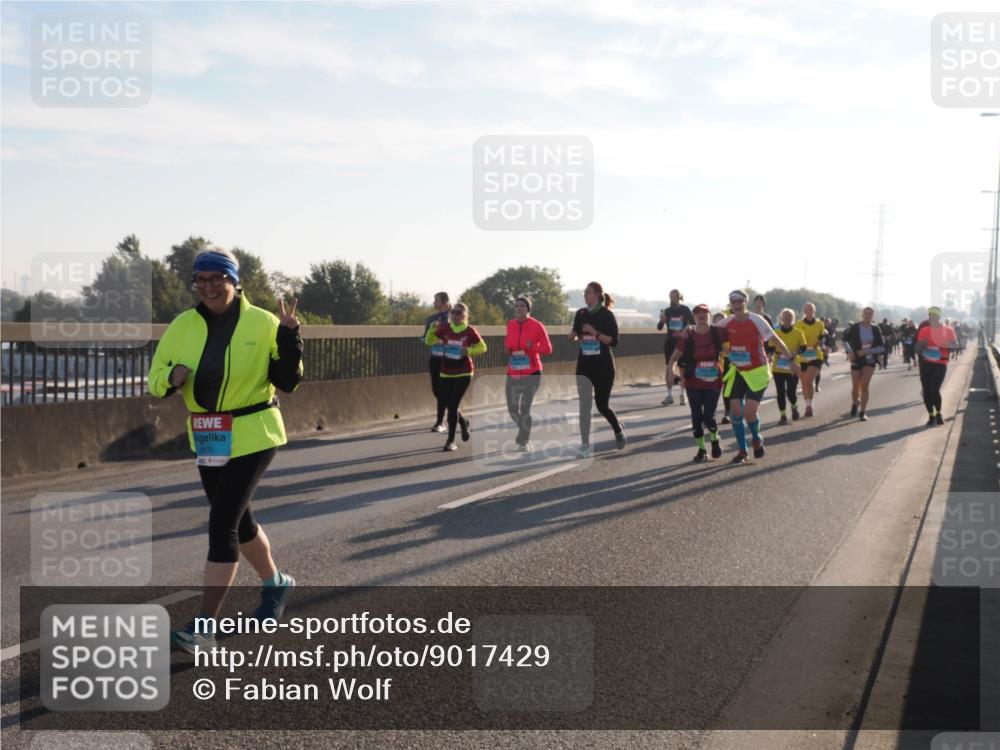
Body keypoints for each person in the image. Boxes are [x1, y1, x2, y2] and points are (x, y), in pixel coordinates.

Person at [148, 248, 303, 654]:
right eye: (201, 280)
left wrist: (290, 338)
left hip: (254, 431)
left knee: (222, 526)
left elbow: (287, 380)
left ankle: (203, 628)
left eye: (218, 278)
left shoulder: (264, 322)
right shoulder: (182, 325)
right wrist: (170, 376)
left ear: (235, 281)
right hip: (208, 435)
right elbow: (154, 379)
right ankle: (276, 584)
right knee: (240, 520)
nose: (209, 287)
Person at [716, 290, 797, 463]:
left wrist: (790, 359)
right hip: (738, 371)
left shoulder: (757, 320)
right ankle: (742, 451)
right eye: (733, 301)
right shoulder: (727, 322)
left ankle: (756, 437)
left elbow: (775, 339)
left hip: (758, 371)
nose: (736, 305)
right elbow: (709, 331)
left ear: (746, 302)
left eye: (740, 301)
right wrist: (691, 328)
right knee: (736, 411)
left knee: (749, 412)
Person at [571, 281, 625, 457]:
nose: (585, 295)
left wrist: (595, 333)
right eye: (584, 293)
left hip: (603, 366)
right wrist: (573, 335)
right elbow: (576, 333)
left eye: (588, 292)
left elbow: (614, 341)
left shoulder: (606, 315)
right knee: (584, 406)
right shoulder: (580, 313)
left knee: (602, 406)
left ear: (597, 295)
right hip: (584, 365)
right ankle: (585, 445)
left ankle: (617, 430)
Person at [667, 303, 728, 461]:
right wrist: (670, 369)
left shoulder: (718, 332)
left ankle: (714, 439)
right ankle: (702, 450)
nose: (702, 315)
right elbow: (675, 355)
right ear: (694, 316)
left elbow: (736, 334)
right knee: (696, 417)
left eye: (705, 312)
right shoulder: (688, 334)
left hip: (713, 380)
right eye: (698, 313)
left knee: (709, 416)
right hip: (693, 380)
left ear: (709, 315)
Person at [425, 302, 487, 450]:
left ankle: (450, 441)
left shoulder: (469, 331)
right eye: (454, 312)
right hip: (446, 371)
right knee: (447, 402)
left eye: (459, 313)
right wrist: (432, 330)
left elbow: (483, 347)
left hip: (464, 372)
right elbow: (429, 341)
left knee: (452, 406)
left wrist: (469, 351)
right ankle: (464, 422)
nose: (456, 315)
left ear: (465, 315)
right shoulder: (445, 328)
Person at [505, 296, 553, 451]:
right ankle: (524, 431)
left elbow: (548, 349)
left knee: (525, 409)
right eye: (517, 306)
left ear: (528, 309)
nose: (519, 308)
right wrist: (508, 349)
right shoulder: (511, 324)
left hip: (532, 372)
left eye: (522, 306)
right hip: (513, 371)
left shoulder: (536, 325)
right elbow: (508, 343)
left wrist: (533, 347)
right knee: (512, 410)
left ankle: (524, 440)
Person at [915, 306, 957, 426]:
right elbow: (918, 348)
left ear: (939, 317)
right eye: (930, 316)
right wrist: (923, 345)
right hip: (926, 363)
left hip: (940, 363)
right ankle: (931, 415)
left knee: (934, 390)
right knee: (927, 391)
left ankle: (939, 414)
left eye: (934, 316)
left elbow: (954, 346)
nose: (932, 318)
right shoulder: (924, 330)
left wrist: (942, 343)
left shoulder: (948, 330)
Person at [843, 307, 885, 421]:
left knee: (865, 385)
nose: (868, 315)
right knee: (855, 387)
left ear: (873, 316)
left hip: (870, 360)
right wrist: (850, 352)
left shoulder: (876, 329)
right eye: (866, 313)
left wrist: (867, 351)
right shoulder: (855, 327)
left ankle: (863, 412)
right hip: (856, 359)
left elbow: (881, 347)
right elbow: (845, 340)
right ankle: (855, 403)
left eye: (870, 314)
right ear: (862, 315)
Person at [657, 289, 694, 406]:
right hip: (670, 343)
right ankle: (669, 395)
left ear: (679, 297)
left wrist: (683, 331)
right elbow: (659, 327)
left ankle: (683, 394)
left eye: (674, 296)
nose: (672, 299)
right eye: (670, 296)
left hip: (683, 342)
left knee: (683, 370)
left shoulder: (685, 309)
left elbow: (693, 324)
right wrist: (662, 321)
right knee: (669, 368)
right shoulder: (667, 311)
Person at [771, 308, 806, 425]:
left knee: (791, 392)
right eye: (785, 316)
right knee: (780, 392)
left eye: (790, 316)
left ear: (793, 319)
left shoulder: (798, 332)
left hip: (793, 365)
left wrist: (794, 353)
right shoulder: (776, 333)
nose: (787, 318)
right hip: (778, 367)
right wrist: (775, 354)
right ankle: (783, 415)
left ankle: (794, 407)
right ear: (781, 318)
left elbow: (804, 347)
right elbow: (770, 347)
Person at [422, 292, 450, 432]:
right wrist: (430, 339)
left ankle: (440, 422)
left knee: (443, 390)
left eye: (436, 300)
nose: (434, 302)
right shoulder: (432, 319)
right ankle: (459, 418)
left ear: (444, 302)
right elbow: (424, 338)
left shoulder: (454, 317)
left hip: (448, 358)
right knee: (436, 390)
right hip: (434, 357)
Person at [794, 303, 827, 416]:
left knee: (808, 380)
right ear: (804, 311)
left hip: (815, 355)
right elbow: (796, 338)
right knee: (804, 383)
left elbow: (822, 337)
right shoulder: (798, 324)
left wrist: (818, 343)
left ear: (814, 311)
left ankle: (810, 405)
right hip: (802, 356)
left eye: (811, 309)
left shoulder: (819, 324)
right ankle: (808, 405)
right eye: (807, 309)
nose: (809, 311)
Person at [713, 311, 733, 424]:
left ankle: (728, 412)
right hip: (714, 363)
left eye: (722, 320)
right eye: (717, 321)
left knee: (727, 389)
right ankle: (710, 414)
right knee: (713, 390)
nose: (720, 323)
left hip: (727, 362)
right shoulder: (710, 333)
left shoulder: (730, 332)